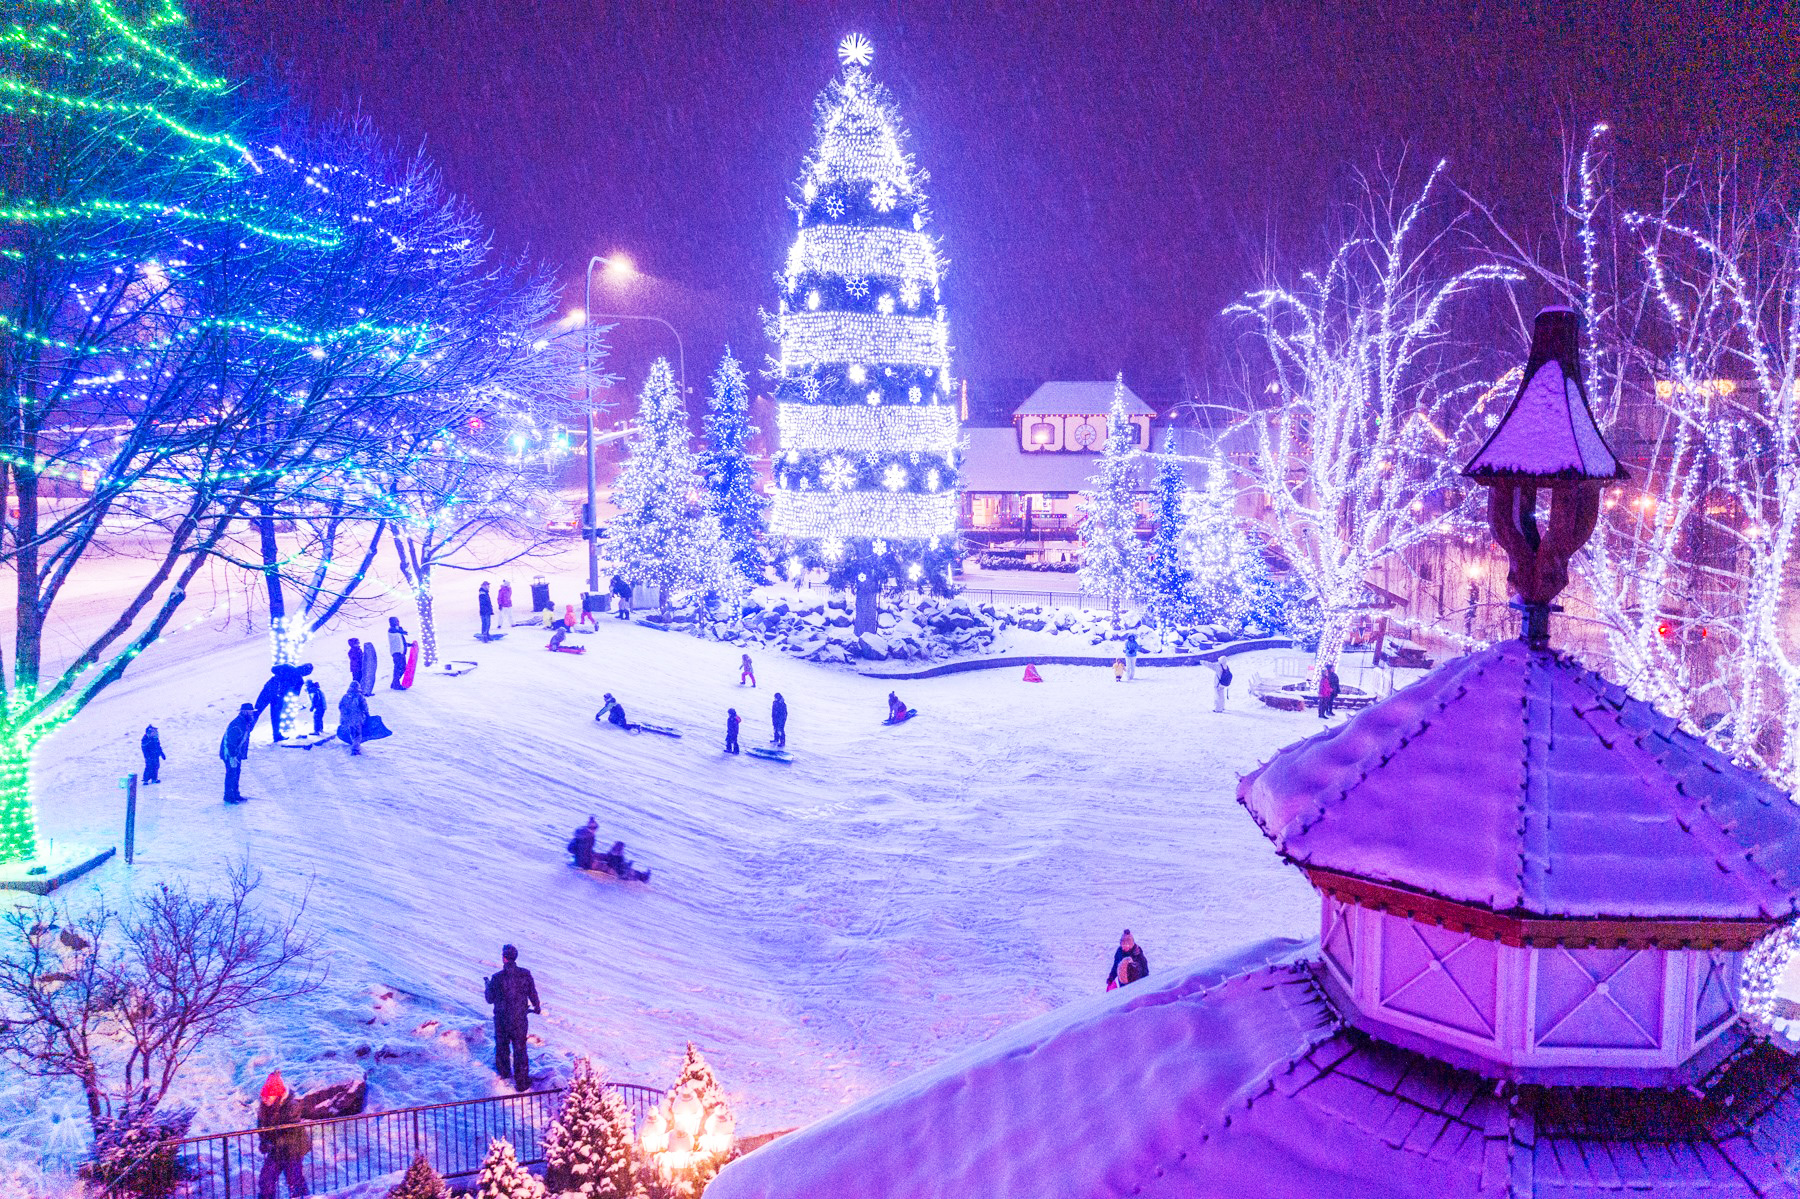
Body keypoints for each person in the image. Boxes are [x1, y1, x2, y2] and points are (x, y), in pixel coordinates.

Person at [485, 945, 542, 1092]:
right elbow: (532, 993)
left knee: (502, 1047)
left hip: (502, 1020)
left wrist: (487, 986)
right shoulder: (525, 974)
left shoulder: (497, 978)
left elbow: (489, 999)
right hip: (519, 1020)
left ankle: (504, 1074)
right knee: (520, 1049)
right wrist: (536, 1007)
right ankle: (522, 1081)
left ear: (504, 958)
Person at [255, 1070, 311, 1198]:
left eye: (269, 1096)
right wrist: (264, 1141)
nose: (265, 1099)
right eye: (264, 1096)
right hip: (277, 1150)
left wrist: (272, 1142)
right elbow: (261, 1127)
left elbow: (291, 1131)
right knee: (266, 1179)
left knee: (294, 1180)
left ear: (278, 1095)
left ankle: (302, 1197)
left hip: (293, 1149)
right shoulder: (265, 1108)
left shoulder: (292, 1106)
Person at [220, 703, 255, 804]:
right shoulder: (238, 724)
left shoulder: (244, 722)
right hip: (230, 753)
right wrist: (232, 756)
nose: (252, 714)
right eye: (250, 712)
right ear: (244, 712)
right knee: (231, 773)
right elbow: (231, 741)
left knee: (236, 773)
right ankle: (229, 796)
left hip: (236, 753)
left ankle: (235, 794)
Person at [252, 670, 287, 742]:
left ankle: (276, 735)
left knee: (258, 712)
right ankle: (276, 735)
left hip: (273, 692)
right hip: (274, 693)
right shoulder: (289, 672)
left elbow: (274, 669)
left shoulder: (287, 672)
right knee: (274, 716)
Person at [338, 684, 368, 756]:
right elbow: (364, 707)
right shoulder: (360, 696)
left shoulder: (345, 696)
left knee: (352, 732)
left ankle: (354, 744)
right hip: (357, 718)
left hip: (348, 718)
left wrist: (345, 714)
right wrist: (367, 714)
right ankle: (355, 749)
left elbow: (340, 706)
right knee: (358, 734)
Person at [387, 617, 409, 689]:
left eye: (398, 620)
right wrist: (402, 631)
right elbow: (394, 631)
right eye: (396, 621)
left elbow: (402, 642)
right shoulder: (391, 630)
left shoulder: (398, 631)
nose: (398, 622)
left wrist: (410, 645)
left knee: (403, 668)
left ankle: (394, 683)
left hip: (401, 652)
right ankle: (396, 684)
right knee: (398, 667)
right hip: (396, 652)